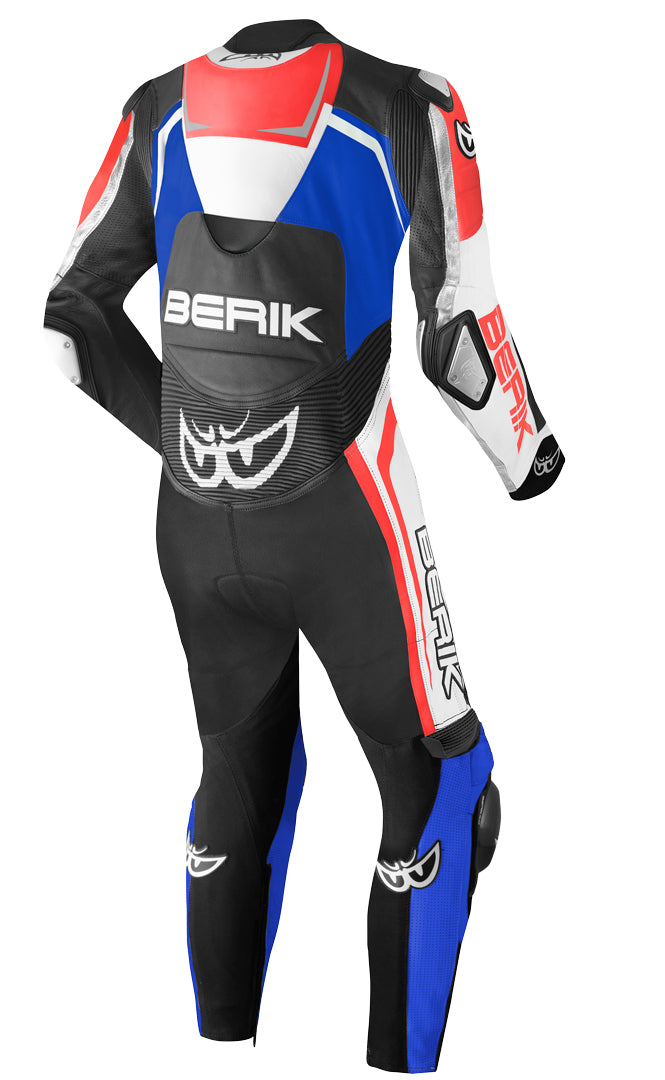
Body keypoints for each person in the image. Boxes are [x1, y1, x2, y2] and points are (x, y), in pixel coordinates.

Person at [44, 19, 563, 1073]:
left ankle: (216, 1051)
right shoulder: (409, 104)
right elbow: (458, 339)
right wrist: (531, 461)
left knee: (241, 780)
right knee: (445, 792)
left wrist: (199, 443)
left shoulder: (155, 109)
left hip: (192, 524)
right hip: (345, 516)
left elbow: (71, 326)